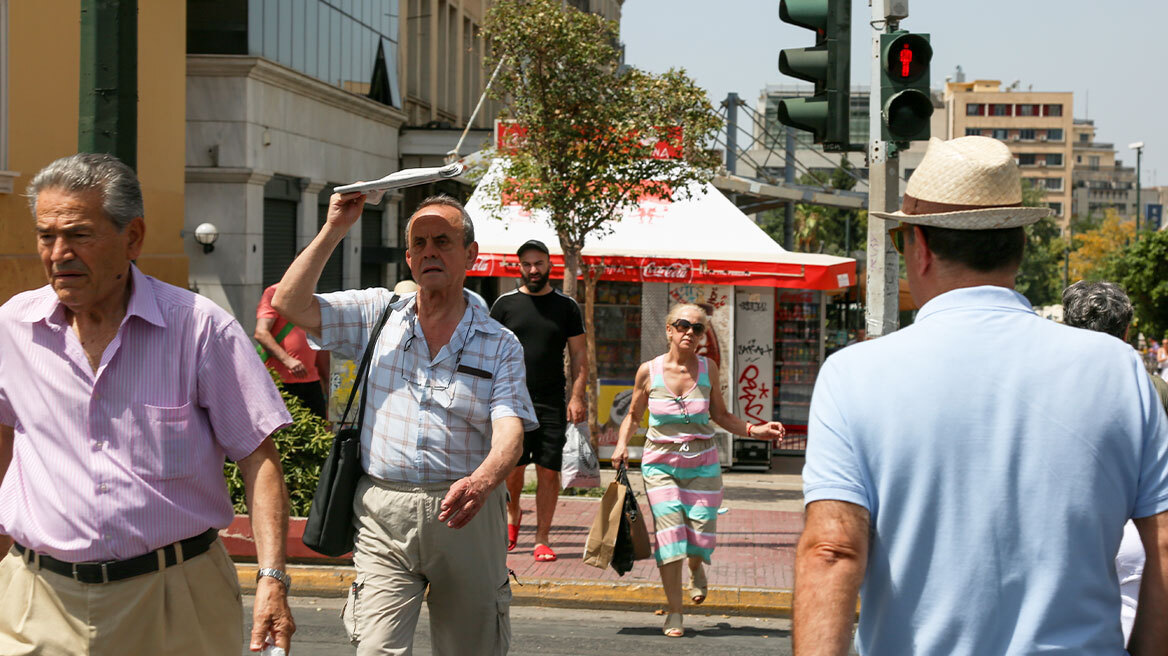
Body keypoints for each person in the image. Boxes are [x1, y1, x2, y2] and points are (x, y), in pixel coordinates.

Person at [794, 136, 1168, 655]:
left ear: (919, 248)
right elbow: (1163, 545)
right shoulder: (1117, 369)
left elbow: (832, 552)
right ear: (1019, 244)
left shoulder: (855, 373)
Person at [0, 153, 296, 655]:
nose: (58, 253)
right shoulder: (13, 328)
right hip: (39, 599)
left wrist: (272, 577)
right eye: (46, 236)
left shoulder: (201, 329)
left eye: (78, 234)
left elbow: (258, 458)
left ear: (133, 237)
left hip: (175, 599)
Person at [272, 193, 536, 655]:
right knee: (376, 649)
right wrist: (335, 226)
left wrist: (483, 481)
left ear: (471, 254)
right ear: (410, 259)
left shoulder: (500, 342)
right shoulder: (378, 314)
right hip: (382, 514)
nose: (431, 251)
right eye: (420, 243)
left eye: (444, 241)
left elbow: (510, 430)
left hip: (466, 513)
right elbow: (289, 302)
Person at [611, 303, 784, 638]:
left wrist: (755, 430)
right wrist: (621, 444)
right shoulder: (649, 371)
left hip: (703, 464)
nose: (690, 332)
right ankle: (675, 612)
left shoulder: (708, 369)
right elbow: (633, 415)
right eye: (683, 325)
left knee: (700, 536)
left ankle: (696, 568)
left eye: (698, 328)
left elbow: (721, 415)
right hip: (660, 464)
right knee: (671, 534)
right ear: (669, 330)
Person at [1062, 280, 1168, 643]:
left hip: (1072, 533)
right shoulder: (1151, 388)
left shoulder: (1046, 385)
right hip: (1141, 532)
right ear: (1126, 330)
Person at [490, 239, 587, 561]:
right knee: (513, 470)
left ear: (550, 265)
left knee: (548, 470)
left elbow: (579, 357)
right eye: (527, 264)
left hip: (551, 402)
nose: (534, 270)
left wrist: (577, 396)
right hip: (511, 401)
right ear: (519, 267)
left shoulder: (567, 307)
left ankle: (542, 537)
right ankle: (512, 516)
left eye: (539, 263)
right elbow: (489, 354)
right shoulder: (503, 305)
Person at [256, 276, 331, 420]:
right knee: (283, 434)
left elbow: (322, 340)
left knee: (318, 431)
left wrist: (328, 386)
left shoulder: (316, 299)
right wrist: (288, 360)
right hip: (279, 382)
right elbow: (261, 333)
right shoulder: (274, 293)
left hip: (311, 382)